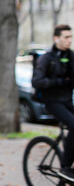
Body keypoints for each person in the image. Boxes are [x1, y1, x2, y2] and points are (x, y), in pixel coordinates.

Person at [32, 24, 74, 181]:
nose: (69, 40)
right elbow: (37, 81)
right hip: (52, 101)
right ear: (57, 38)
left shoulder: (70, 56)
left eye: (71, 37)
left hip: (67, 100)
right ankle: (65, 168)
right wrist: (59, 81)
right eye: (66, 37)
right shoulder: (46, 59)